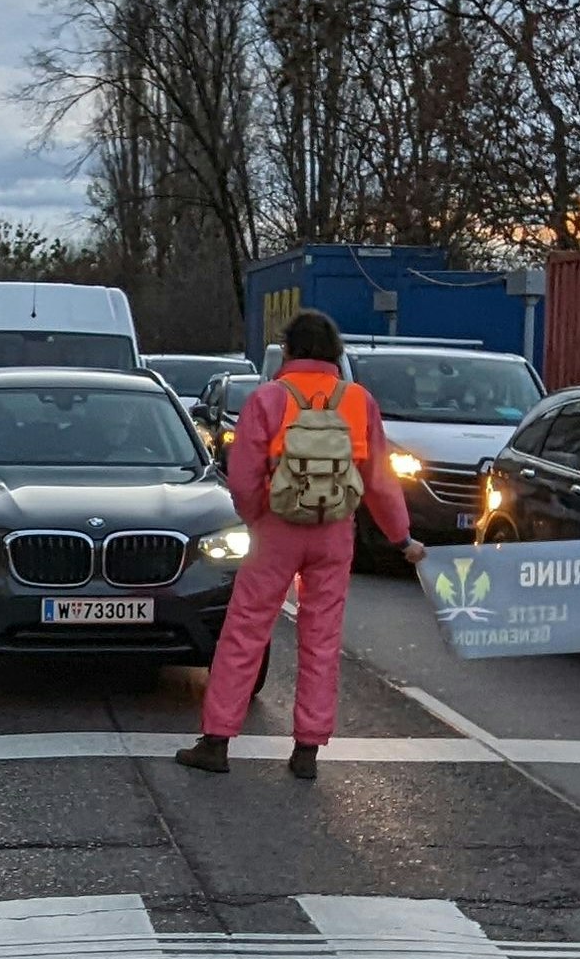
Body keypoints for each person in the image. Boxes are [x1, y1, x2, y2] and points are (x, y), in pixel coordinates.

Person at [177, 310, 420, 781]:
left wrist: (258, 518)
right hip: (334, 531)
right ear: (335, 353)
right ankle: (307, 748)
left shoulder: (269, 398)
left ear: (287, 351)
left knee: (246, 631)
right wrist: (401, 537)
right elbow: (379, 480)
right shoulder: (358, 401)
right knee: (322, 638)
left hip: (277, 527)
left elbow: (244, 477)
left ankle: (217, 741)